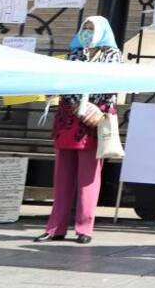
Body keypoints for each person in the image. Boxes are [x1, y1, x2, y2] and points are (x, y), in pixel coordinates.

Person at [35, 16, 121, 244]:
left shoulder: (112, 55)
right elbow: (65, 82)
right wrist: (74, 104)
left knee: (88, 177)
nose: (87, 32)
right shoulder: (74, 53)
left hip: (93, 120)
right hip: (69, 118)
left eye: (91, 29)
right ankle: (55, 227)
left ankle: (84, 228)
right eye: (84, 27)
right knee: (62, 175)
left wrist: (93, 107)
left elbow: (111, 85)